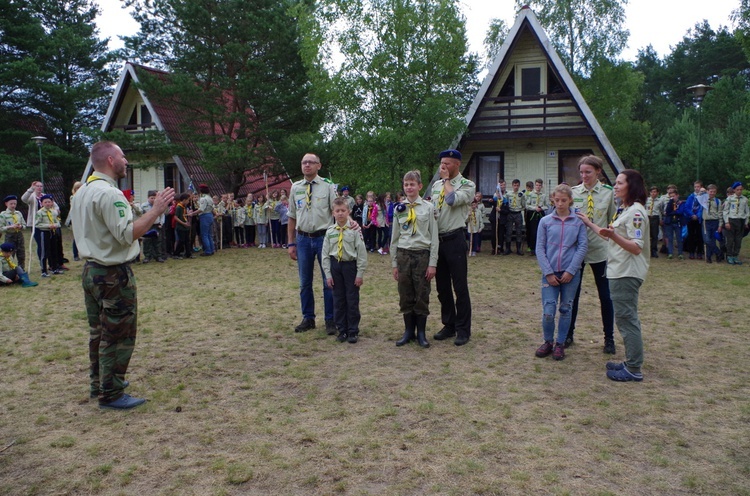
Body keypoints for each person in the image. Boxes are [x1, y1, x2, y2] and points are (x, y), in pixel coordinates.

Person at [71, 140, 175, 409]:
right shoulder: (110, 194)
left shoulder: (82, 191)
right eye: (122, 156)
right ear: (110, 161)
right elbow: (127, 233)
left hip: (91, 271)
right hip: (112, 275)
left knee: (98, 332)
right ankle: (112, 392)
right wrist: (156, 211)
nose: (126, 160)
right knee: (118, 334)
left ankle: (99, 383)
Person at [580, 169, 650, 382]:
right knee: (624, 318)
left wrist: (614, 236)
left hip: (627, 273)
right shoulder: (625, 210)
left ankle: (634, 368)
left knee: (627, 319)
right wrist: (589, 222)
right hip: (619, 272)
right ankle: (630, 362)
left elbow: (636, 247)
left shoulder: (636, 212)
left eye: (620, 183)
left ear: (632, 186)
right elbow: (608, 235)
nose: (616, 187)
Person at [569, 155, 616, 353]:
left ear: (598, 171)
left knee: (606, 296)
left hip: (601, 250)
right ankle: (567, 334)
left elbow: (613, 220)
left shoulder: (608, 193)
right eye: (581, 172)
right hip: (577, 251)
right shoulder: (573, 192)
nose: (584, 176)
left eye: (588, 172)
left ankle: (609, 338)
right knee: (572, 295)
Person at [535, 184, 587, 361]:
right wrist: (548, 272)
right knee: (549, 309)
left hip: (570, 274)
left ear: (570, 200)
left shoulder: (578, 221)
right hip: (550, 272)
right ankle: (548, 341)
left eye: (564, 200)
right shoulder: (545, 221)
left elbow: (582, 247)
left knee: (566, 308)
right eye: (556, 200)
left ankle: (560, 343)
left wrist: (571, 270)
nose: (560, 203)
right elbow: (540, 248)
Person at [287, 153, 338, 334]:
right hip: (302, 239)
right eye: (304, 162)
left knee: (328, 281)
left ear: (319, 166)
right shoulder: (295, 187)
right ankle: (308, 318)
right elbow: (292, 216)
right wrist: (290, 243)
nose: (307, 165)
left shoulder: (328, 186)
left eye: (311, 162)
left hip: (323, 238)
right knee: (304, 282)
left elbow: (337, 211)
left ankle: (331, 320)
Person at [430, 149, 475, 346]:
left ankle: (463, 329)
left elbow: (451, 200)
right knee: (442, 287)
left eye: (447, 163)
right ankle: (449, 324)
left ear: (457, 164)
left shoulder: (467, 185)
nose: (443, 167)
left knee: (459, 287)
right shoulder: (437, 185)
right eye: (442, 163)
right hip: (437, 241)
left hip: (455, 239)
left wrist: (447, 181)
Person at [392, 170, 438, 348]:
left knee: (422, 293)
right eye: (406, 184)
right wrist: (394, 263)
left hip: (421, 255)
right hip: (403, 254)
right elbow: (394, 238)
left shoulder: (428, 208)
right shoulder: (399, 208)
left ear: (420, 186)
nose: (409, 187)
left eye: (412, 184)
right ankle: (408, 331)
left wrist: (432, 263)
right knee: (405, 293)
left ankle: (421, 333)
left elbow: (433, 238)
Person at [321, 197, 368, 343]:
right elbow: (325, 255)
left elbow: (361, 253)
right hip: (336, 266)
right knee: (338, 299)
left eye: (343, 210)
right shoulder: (330, 232)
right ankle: (342, 330)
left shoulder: (355, 230)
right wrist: (328, 274)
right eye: (337, 211)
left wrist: (359, 274)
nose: (340, 213)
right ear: (333, 213)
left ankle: (353, 330)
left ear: (348, 212)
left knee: (352, 299)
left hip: (350, 267)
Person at [35, 194, 63, 277]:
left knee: (54, 250)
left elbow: (58, 222)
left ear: (51, 203)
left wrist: (55, 225)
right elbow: (37, 224)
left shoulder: (53, 212)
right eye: (45, 202)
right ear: (42, 203)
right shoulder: (40, 212)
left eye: (49, 202)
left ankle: (54, 268)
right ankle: (44, 270)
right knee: (45, 251)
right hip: (44, 232)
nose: (47, 204)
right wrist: (48, 226)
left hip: (53, 232)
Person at [722, 181, 749, 265]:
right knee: (730, 240)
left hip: (740, 221)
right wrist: (726, 222)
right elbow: (725, 211)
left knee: (738, 240)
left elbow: (747, 212)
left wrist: (746, 222)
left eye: (741, 189)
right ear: (734, 190)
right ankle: (729, 256)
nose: (739, 191)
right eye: (737, 189)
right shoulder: (729, 199)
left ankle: (735, 256)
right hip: (731, 220)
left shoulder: (744, 199)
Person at [0, 195, 27, 270]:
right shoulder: (3, 214)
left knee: (21, 254)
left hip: (19, 235)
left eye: (15, 204)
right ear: (6, 204)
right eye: (11, 204)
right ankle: (10, 270)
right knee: (10, 254)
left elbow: (24, 225)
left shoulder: (18, 213)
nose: (13, 205)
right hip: (10, 236)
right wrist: (10, 227)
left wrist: (20, 226)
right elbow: (1, 228)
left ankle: (21, 270)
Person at [141, 190, 167, 263]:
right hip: (148, 225)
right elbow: (141, 215)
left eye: (154, 198)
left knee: (158, 241)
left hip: (156, 225)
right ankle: (147, 257)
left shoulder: (159, 205)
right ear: (148, 198)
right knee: (147, 241)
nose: (153, 200)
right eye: (151, 198)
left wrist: (161, 223)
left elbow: (162, 215)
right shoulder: (144, 206)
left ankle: (158, 256)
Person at [525, 179, 549, 256]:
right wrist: (534, 208)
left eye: (539, 185)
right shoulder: (530, 194)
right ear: (535, 186)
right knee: (533, 231)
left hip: (541, 214)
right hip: (533, 214)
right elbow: (527, 205)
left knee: (541, 231)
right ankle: (532, 248)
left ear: (541, 186)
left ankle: (541, 248)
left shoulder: (544, 195)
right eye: (537, 185)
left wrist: (541, 208)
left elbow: (547, 206)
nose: (538, 187)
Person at [662, 185, 686, 260]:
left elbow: (680, 212)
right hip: (669, 223)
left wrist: (672, 212)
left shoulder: (681, 203)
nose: (672, 198)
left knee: (679, 238)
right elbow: (667, 211)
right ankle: (670, 253)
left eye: (674, 196)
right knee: (670, 238)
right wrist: (671, 204)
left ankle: (680, 253)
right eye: (671, 196)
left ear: (677, 195)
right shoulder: (670, 203)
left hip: (678, 222)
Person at [684, 181, 705, 260]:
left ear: (701, 187)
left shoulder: (704, 197)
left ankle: (699, 252)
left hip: (699, 219)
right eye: (695, 187)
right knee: (691, 235)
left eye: (698, 187)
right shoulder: (691, 196)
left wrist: (698, 215)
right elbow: (686, 207)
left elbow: (702, 207)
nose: (696, 188)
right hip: (691, 218)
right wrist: (692, 215)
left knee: (699, 236)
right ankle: (691, 252)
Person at [702, 184, 723, 263]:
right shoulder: (703, 200)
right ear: (707, 191)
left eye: (714, 192)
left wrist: (720, 225)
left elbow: (720, 213)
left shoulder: (718, 201)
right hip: (706, 221)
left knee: (713, 239)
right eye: (710, 191)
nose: (712, 193)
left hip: (715, 221)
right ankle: (718, 252)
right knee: (707, 239)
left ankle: (709, 257)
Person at [504, 179, 525, 255]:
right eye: (514, 185)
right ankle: (508, 248)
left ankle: (518, 249)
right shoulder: (508, 194)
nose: (516, 187)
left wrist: (519, 209)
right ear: (512, 185)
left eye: (517, 185)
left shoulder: (521, 195)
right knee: (508, 231)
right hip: (510, 213)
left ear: (519, 186)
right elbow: (504, 201)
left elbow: (523, 205)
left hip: (518, 213)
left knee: (519, 231)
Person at [173, 193, 195, 259]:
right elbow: (176, 217)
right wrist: (183, 223)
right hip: (181, 227)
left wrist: (188, 215)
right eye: (188, 200)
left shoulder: (184, 207)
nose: (188, 201)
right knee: (181, 240)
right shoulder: (179, 207)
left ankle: (188, 254)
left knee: (187, 240)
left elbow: (184, 215)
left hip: (186, 227)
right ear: (184, 200)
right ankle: (176, 254)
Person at [196, 184, 215, 256]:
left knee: (204, 235)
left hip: (204, 216)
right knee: (209, 234)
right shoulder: (209, 197)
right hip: (210, 215)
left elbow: (201, 209)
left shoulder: (203, 198)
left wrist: (193, 213)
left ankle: (207, 251)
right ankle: (211, 249)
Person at [645, 186, 663, 258]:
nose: (653, 193)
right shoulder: (646, 200)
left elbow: (661, 210)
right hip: (647, 217)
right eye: (652, 192)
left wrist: (661, 219)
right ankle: (646, 251)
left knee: (655, 236)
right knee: (646, 235)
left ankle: (654, 251)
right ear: (650, 193)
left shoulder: (660, 201)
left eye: (655, 192)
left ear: (657, 193)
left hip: (655, 218)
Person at [467, 191, 485, 256]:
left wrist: (481, 228)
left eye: (474, 205)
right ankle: (470, 250)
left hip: (476, 229)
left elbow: (481, 221)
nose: (473, 206)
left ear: (476, 205)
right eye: (472, 205)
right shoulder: (469, 212)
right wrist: (468, 216)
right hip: (470, 229)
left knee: (476, 240)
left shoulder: (478, 212)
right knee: (471, 240)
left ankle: (474, 250)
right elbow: (466, 221)